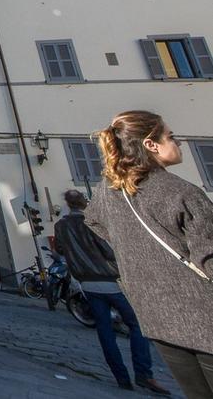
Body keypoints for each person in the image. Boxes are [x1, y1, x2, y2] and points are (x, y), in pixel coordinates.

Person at [86, 111, 213, 398]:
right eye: (170, 136)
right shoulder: (182, 192)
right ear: (150, 145)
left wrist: (134, 250)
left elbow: (92, 219)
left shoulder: (107, 194)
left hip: (157, 315)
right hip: (205, 315)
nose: (177, 141)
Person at [55, 189, 169, 394]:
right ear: (84, 203)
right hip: (110, 281)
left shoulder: (61, 226)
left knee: (104, 329)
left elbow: (61, 250)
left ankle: (121, 377)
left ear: (68, 205)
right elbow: (108, 251)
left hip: (87, 284)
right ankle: (144, 374)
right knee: (138, 325)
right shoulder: (92, 223)